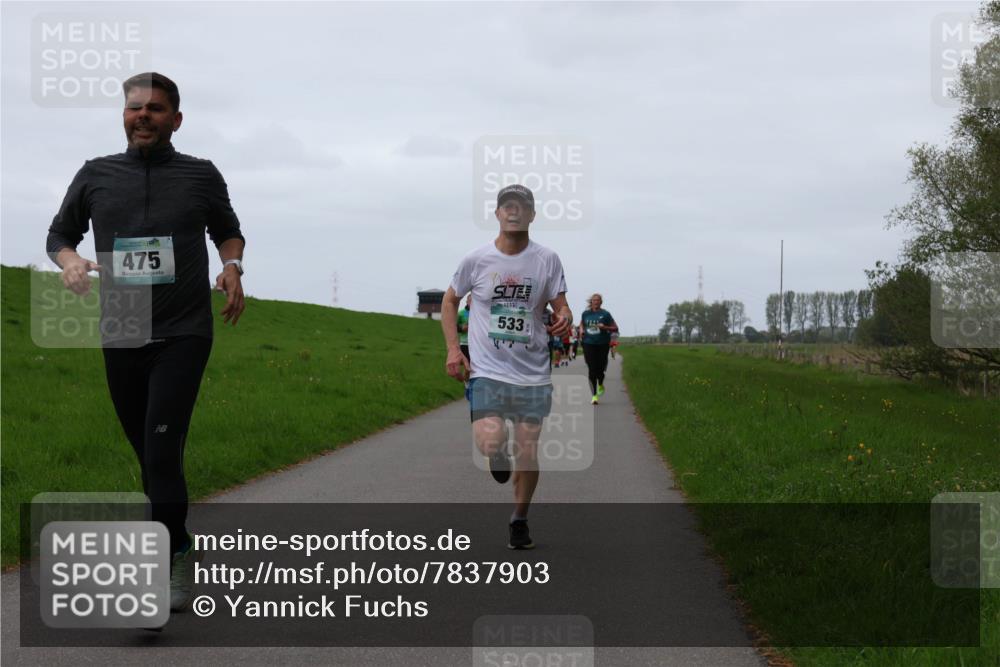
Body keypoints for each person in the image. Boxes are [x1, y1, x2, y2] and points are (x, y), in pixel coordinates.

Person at [46, 72, 246, 614]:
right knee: (147, 452)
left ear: (175, 119)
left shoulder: (200, 175)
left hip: (183, 329)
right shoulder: (96, 174)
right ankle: (180, 539)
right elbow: (60, 234)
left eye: (156, 109)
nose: (144, 115)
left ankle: (161, 567)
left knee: (161, 449)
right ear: (124, 115)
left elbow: (228, 229)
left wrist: (231, 266)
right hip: (124, 325)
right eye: (136, 107)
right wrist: (69, 263)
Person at [442, 184, 571, 550]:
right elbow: (450, 302)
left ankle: (519, 518)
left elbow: (561, 305)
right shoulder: (476, 260)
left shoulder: (547, 259)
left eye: (522, 207)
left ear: (532, 215)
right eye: (507, 206)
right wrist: (454, 350)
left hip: (532, 371)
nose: (514, 211)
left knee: (528, 450)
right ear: (497, 214)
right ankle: (497, 453)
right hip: (488, 370)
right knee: (490, 440)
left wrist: (564, 315)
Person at [579, 293, 618, 405]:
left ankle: (600, 383)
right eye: (594, 300)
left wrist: (605, 327)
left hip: (602, 343)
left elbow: (615, 328)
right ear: (591, 302)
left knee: (600, 369)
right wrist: (581, 330)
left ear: (601, 302)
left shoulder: (605, 314)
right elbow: (582, 324)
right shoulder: (586, 314)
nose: (595, 302)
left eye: (598, 300)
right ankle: (594, 395)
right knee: (592, 368)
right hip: (588, 343)